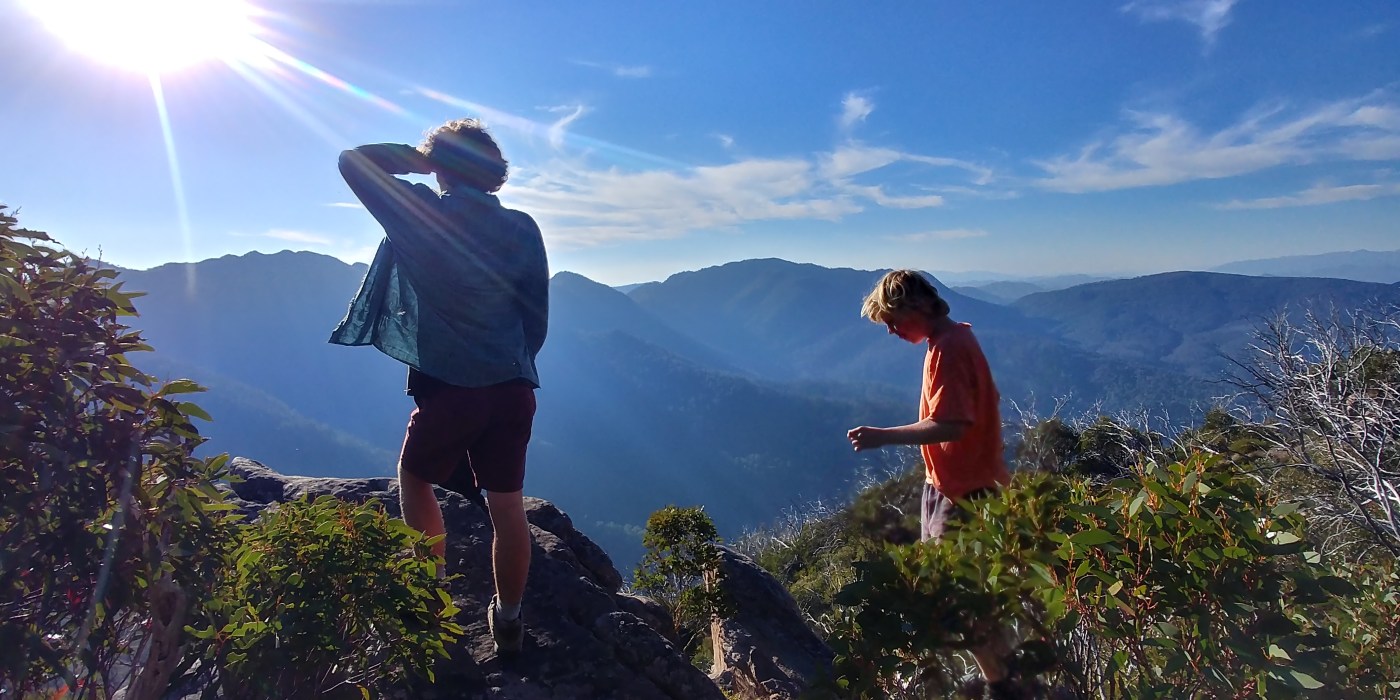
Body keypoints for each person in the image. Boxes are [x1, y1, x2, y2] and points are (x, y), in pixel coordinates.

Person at [329, 118, 548, 656]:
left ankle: (430, 600)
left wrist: (421, 161)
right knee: (507, 506)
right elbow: (535, 315)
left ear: (442, 167)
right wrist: (514, 364)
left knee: (414, 478)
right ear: (494, 172)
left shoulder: (419, 212)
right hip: (512, 386)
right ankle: (509, 619)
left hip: (451, 388)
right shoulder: (522, 227)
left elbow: (353, 160)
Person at [846, 269, 1020, 697]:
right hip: (954, 485)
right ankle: (1005, 675)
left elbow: (953, 424)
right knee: (968, 596)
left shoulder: (950, 348)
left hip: (965, 493)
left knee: (958, 600)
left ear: (917, 306)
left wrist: (882, 436)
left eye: (893, 320)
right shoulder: (951, 341)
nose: (891, 331)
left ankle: (1003, 684)